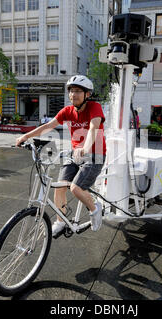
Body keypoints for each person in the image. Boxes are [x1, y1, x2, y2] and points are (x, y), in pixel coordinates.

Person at [16, 75, 106, 236]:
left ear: (87, 94)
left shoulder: (95, 107)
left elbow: (93, 128)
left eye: (78, 91)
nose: (73, 94)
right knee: (59, 187)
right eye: (71, 91)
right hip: (75, 154)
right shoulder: (68, 111)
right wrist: (25, 136)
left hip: (95, 153)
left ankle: (95, 209)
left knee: (76, 188)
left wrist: (85, 148)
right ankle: (60, 221)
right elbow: (49, 125)